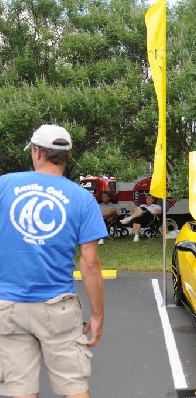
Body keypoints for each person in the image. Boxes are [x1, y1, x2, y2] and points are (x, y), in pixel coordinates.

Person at [0, 124, 106, 397]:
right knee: (74, 387)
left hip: (8, 306)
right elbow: (90, 264)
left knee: (19, 389)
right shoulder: (83, 199)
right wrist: (97, 316)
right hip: (57, 307)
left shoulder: (4, 185)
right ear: (66, 156)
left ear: (37, 152)